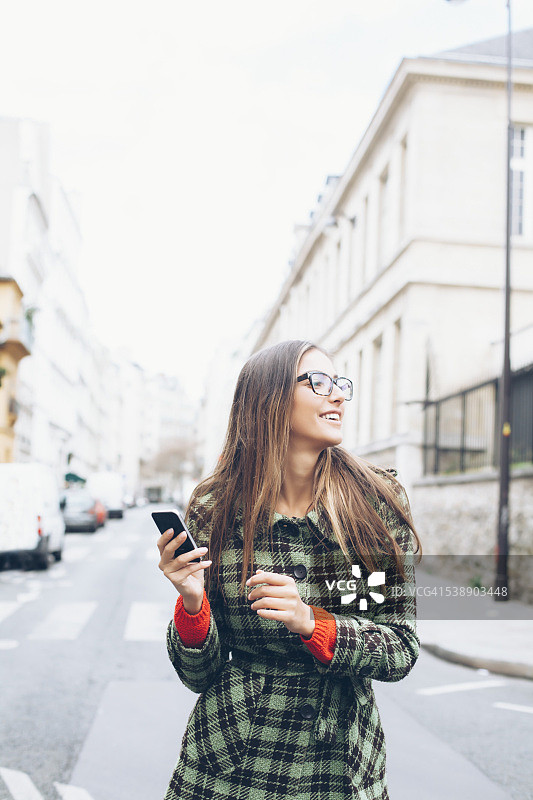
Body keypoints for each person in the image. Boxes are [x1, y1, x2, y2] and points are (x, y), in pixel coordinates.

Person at [157, 339, 422, 800]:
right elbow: (198, 675)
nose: (337, 395)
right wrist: (193, 603)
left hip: (336, 760)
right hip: (230, 759)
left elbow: (400, 648)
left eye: (340, 384)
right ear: (269, 399)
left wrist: (312, 623)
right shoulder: (215, 507)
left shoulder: (375, 505)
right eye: (318, 383)